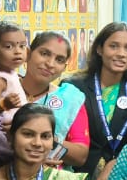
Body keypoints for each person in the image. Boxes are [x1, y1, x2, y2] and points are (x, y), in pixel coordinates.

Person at [68, 23, 127, 180]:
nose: (121, 54)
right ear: (99, 49)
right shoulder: (73, 87)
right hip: (75, 179)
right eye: (114, 46)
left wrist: (118, 162)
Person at [17, 31, 89, 168]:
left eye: (59, 60)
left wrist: (46, 147)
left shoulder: (70, 99)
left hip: (49, 177)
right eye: (44, 54)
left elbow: (81, 155)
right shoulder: (4, 87)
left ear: (64, 68)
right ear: (28, 53)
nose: (50, 64)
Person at [0, 21, 27, 139]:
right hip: (1, 137)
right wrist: (4, 105)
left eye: (22, 46)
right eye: (8, 47)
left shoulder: (9, 72)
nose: (18, 51)